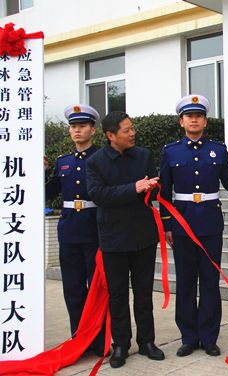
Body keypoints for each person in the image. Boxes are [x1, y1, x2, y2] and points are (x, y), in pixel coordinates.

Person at [159, 94, 228, 357]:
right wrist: (167, 225)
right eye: (189, 116)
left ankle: (208, 337)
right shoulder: (170, 151)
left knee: (209, 281)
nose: (194, 120)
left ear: (205, 121)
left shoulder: (218, 150)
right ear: (181, 121)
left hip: (210, 223)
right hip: (182, 223)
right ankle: (188, 336)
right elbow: (163, 191)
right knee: (185, 282)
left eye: (198, 116)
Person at [86, 111, 164, 368]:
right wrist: (134, 188)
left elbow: (154, 190)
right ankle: (120, 344)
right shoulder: (96, 162)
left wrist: (152, 187)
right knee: (117, 294)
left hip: (143, 236)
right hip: (113, 238)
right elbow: (99, 195)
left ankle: (147, 341)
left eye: (133, 128)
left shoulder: (144, 156)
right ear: (110, 135)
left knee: (143, 293)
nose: (132, 133)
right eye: (126, 130)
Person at [45, 104, 105, 356]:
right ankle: (78, 338)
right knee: (73, 288)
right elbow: (48, 195)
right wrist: (43, 173)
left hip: (95, 229)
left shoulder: (104, 157)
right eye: (73, 126)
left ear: (92, 129)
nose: (77, 130)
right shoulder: (63, 162)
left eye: (82, 126)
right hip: (69, 230)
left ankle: (99, 341)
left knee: (98, 289)